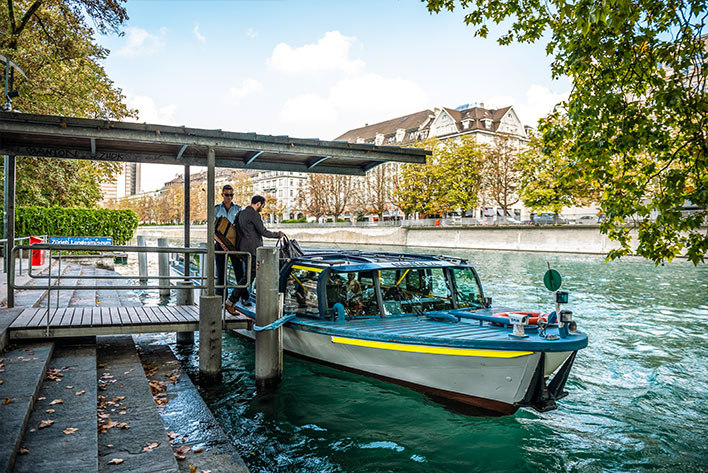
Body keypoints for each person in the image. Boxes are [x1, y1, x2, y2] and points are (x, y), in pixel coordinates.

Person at [233, 195, 285, 307]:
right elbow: (263, 231)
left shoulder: (241, 213)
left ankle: (238, 299)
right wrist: (278, 235)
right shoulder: (254, 214)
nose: (262, 208)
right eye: (262, 205)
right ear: (258, 204)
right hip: (253, 250)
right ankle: (232, 299)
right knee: (249, 276)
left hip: (243, 249)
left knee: (247, 276)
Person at [214, 185, 244, 310]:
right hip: (220, 244)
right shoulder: (216, 209)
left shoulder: (238, 209)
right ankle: (222, 299)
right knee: (221, 273)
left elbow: (241, 229)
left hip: (234, 245)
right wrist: (221, 244)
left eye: (231, 195)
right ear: (222, 195)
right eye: (227, 195)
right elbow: (211, 230)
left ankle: (243, 297)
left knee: (240, 272)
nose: (229, 197)